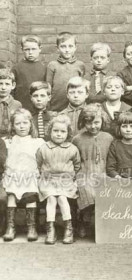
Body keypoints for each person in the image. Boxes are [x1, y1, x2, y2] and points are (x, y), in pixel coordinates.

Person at [36, 115, 81, 245]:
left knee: (62, 197)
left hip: (65, 181)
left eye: (63, 131)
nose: (59, 134)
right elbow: (38, 165)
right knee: (51, 198)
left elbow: (77, 166)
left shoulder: (72, 149)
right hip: (48, 180)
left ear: (68, 133)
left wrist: (71, 178)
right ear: (50, 131)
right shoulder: (43, 148)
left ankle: (68, 228)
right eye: (55, 131)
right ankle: (50, 229)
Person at [2, 109, 45, 242]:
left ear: (31, 124)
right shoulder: (8, 141)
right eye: (18, 123)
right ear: (12, 126)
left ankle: (31, 227)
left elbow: (42, 160)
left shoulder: (38, 141)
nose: (22, 126)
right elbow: (5, 160)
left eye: (25, 123)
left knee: (31, 196)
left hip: (30, 175)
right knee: (11, 195)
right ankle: (11, 227)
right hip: (13, 175)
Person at [72, 104, 114, 238]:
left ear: (102, 120)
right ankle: (84, 220)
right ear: (83, 122)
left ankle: (104, 224)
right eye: (88, 123)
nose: (93, 126)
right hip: (84, 173)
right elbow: (74, 161)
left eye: (96, 122)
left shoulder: (108, 138)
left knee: (105, 187)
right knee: (85, 188)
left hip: (104, 172)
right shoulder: (77, 139)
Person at [46, 32, 85, 112]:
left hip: (75, 107)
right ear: (57, 48)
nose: (67, 50)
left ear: (75, 47)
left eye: (70, 46)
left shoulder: (80, 65)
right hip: (56, 107)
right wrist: (48, 107)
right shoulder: (52, 65)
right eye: (63, 46)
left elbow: (82, 87)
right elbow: (48, 87)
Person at [12, 35, 47, 113]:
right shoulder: (16, 68)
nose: (30, 52)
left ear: (40, 49)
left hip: (39, 109)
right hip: (21, 109)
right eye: (27, 49)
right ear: (22, 50)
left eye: (33, 49)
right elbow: (11, 90)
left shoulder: (44, 68)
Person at [0, 68, 22, 138]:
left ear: (13, 85)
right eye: (0, 83)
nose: (3, 87)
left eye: (7, 84)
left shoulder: (17, 105)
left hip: (11, 138)